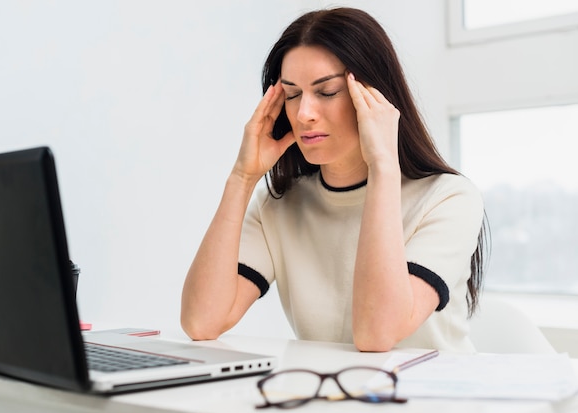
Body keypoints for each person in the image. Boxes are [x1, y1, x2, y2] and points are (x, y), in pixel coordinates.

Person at [181, 7, 487, 353]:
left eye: (326, 92)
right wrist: (242, 178)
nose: (303, 113)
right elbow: (201, 322)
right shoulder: (279, 205)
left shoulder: (448, 199)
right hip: (332, 399)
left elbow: (376, 335)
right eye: (292, 95)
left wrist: (383, 165)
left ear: (375, 95)